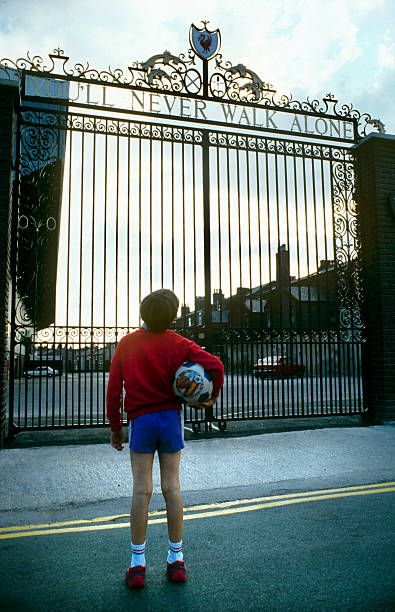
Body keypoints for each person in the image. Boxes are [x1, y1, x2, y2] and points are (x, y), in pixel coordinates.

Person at [106, 289, 224, 589]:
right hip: (170, 421)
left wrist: (116, 428)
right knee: (172, 487)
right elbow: (216, 366)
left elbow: (113, 391)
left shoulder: (127, 343)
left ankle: (137, 564)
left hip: (141, 422)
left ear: (143, 311)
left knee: (141, 491)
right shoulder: (177, 342)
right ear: (171, 317)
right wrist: (208, 398)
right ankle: (176, 560)